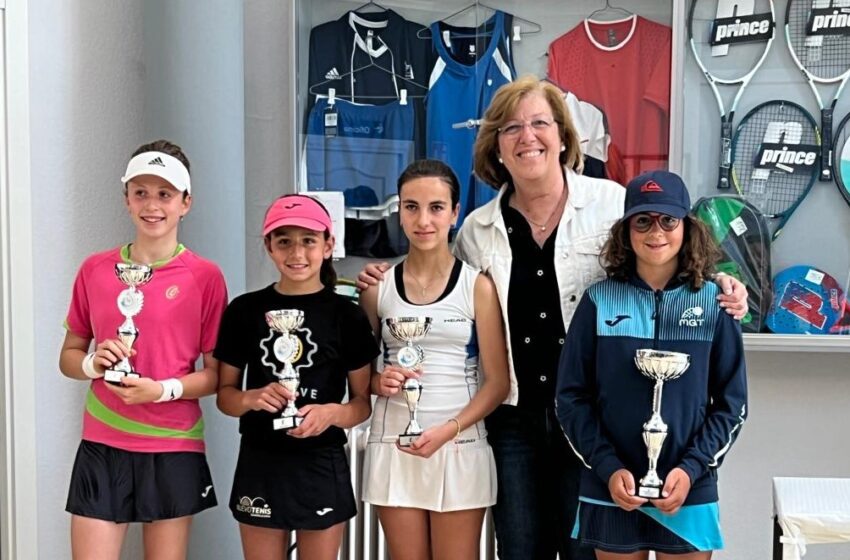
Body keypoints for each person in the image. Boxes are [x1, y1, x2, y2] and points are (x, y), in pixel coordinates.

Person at [357, 76, 749, 560]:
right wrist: (384, 279)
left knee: (586, 551)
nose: (527, 137)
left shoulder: (610, 203)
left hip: (594, 420)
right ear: (497, 147)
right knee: (521, 550)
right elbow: (443, 286)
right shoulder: (477, 229)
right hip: (514, 421)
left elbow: (664, 249)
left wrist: (721, 283)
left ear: (564, 136)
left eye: (540, 123)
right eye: (511, 128)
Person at [555, 170, 748, 559]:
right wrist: (607, 467)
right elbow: (570, 398)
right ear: (626, 230)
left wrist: (691, 469)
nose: (655, 232)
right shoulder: (598, 301)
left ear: (687, 227)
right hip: (613, 485)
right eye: (642, 220)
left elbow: (732, 405)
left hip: (688, 486)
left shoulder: (715, 303)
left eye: (668, 220)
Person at [59, 140, 228, 560]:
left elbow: (216, 376)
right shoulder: (95, 269)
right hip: (103, 441)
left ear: (186, 203)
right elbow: (69, 356)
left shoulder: (205, 277)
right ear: (127, 200)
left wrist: (162, 390)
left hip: (173, 444)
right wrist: (92, 364)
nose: (152, 205)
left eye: (165, 194)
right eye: (141, 193)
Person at [359, 160, 510, 560]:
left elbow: (498, 382)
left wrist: (450, 429)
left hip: (459, 443)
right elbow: (361, 378)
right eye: (411, 207)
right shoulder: (377, 289)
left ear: (455, 212)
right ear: (399, 212)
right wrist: (379, 382)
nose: (423, 220)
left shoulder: (477, 287)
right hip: (395, 443)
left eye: (436, 207)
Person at [215, 194, 379, 560]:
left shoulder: (347, 316)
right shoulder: (244, 311)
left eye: (308, 240)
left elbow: (362, 404)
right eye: (284, 241)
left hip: (320, 462)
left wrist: (331, 413)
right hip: (260, 459)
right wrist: (250, 398)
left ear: (328, 245)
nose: (297, 253)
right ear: (269, 246)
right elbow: (225, 396)